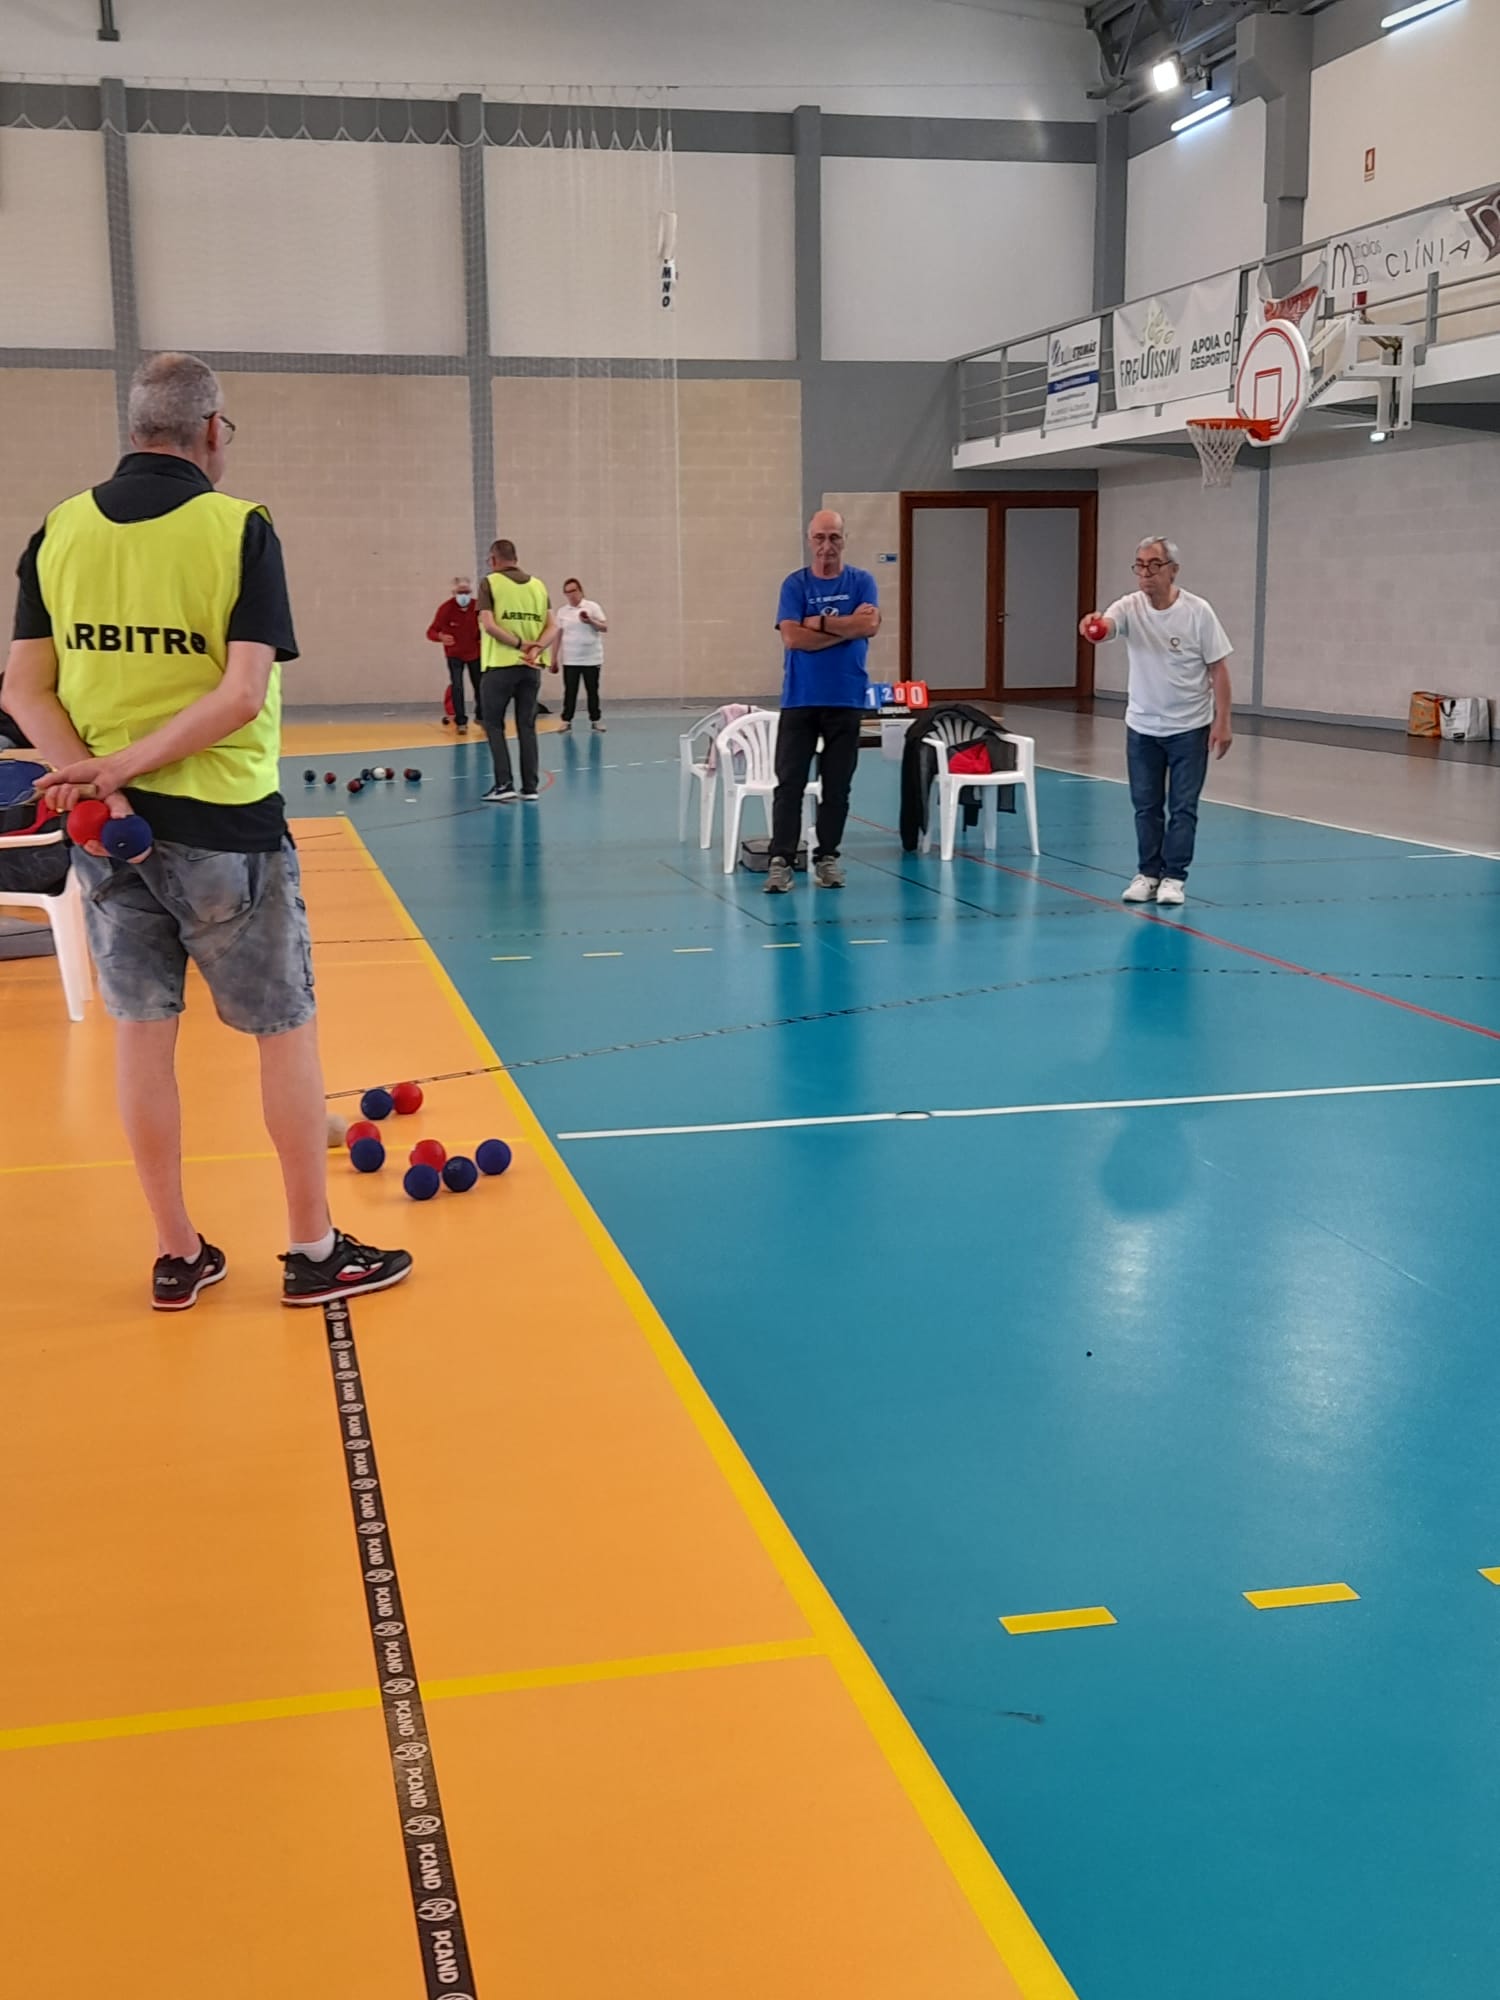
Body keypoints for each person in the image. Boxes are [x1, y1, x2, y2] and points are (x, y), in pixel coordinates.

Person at [3, 350, 412, 1311]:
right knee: (282, 1032)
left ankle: (177, 1254)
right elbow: (239, 695)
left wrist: (93, 777)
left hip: (110, 836)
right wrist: (125, 770)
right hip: (225, 829)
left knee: (142, 1036)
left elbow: (24, 689)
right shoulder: (239, 530)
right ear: (213, 430)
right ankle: (315, 1251)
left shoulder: (58, 530)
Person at [1081, 535, 1232, 907]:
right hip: (1143, 728)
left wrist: (1222, 721)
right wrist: (1093, 626)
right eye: (1139, 565)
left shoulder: (1198, 612)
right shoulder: (1130, 607)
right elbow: (1107, 626)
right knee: (1146, 805)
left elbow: (1219, 668)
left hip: (1189, 727)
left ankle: (1174, 878)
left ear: (1173, 570)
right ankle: (1148, 873)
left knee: (1183, 807)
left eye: (1154, 565)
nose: (1145, 573)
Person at [766, 509, 880, 893]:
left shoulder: (862, 581)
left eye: (834, 537)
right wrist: (846, 629)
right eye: (820, 538)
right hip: (800, 700)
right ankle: (781, 859)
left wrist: (819, 623)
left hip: (846, 699)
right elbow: (793, 639)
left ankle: (827, 856)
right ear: (809, 540)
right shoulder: (794, 585)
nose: (827, 546)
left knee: (837, 786)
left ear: (844, 540)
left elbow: (870, 625)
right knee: (790, 784)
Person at [477, 538, 557, 803]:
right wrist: (536, 649)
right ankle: (530, 787)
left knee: (494, 724)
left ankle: (504, 783)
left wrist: (520, 644)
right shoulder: (538, 586)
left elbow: (488, 625)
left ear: (494, 559)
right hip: (530, 668)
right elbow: (553, 626)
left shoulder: (490, 583)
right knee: (527, 725)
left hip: (500, 666)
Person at [426, 575, 482, 730]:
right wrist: (440, 637)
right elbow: (431, 631)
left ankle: (481, 716)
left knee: (480, 685)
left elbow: (487, 627)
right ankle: (461, 721)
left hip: (475, 654)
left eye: (466, 592)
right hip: (454, 655)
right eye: (460, 592)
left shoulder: (477, 607)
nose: (463, 595)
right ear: (454, 593)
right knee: (457, 685)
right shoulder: (445, 609)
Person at [555, 577, 608, 733]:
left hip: (592, 659)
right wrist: (553, 658)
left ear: (580, 590)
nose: (571, 595)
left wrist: (590, 621)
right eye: (567, 592)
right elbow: (557, 634)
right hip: (570, 659)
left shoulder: (592, 607)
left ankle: (596, 719)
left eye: (573, 591)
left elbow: (604, 627)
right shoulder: (562, 612)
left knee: (592, 690)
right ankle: (566, 720)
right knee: (570, 691)